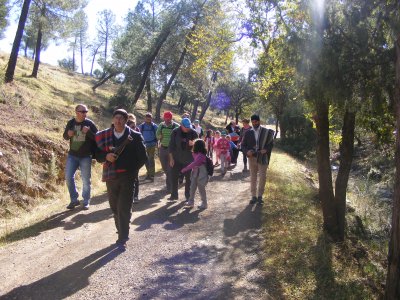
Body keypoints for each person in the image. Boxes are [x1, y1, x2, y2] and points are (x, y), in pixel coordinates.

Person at [95, 109, 147, 250]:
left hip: (127, 177)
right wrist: (106, 156)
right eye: (116, 117)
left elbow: (143, 158)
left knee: (123, 207)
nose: (118, 120)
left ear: (126, 120)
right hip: (111, 177)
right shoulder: (104, 135)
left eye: (121, 118)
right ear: (113, 119)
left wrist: (132, 172)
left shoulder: (135, 136)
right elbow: (96, 154)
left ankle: (122, 237)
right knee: (114, 207)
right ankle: (122, 229)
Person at [63, 104, 98, 210]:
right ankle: (74, 200)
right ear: (76, 112)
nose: (85, 113)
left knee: (86, 180)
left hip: (86, 156)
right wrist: (68, 134)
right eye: (83, 112)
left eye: (86, 111)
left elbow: (98, 138)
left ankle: (86, 201)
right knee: (68, 177)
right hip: (72, 155)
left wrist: (89, 132)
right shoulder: (71, 123)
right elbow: (65, 136)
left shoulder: (89, 123)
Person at [241, 114, 274, 205]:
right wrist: (247, 152)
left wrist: (266, 149)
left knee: (262, 177)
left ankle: (260, 196)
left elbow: (271, 143)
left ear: (259, 121)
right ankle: (253, 196)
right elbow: (243, 145)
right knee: (253, 177)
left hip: (263, 158)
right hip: (252, 158)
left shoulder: (266, 132)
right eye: (253, 122)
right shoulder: (248, 133)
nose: (254, 123)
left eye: (255, 121)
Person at [168, 118, 198, 201]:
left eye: (189, 127)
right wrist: (171, 159)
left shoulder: (193, 132)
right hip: (176, 158)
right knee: (174, 177)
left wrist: (194, 145)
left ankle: (188, 195)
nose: (188, 128)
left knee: (189, 179)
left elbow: (199, 147)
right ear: (181, 125)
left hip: (189, 160)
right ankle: (174, 195)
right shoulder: (175, 132)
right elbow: (171, 146)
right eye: (186, 127)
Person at [181, 139, 209, 209]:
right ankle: (191, 202)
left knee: (201, 188)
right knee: (192, 187)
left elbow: (194, 163)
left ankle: (204, 203)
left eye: (194, 144)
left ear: (197, 146)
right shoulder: (196, 153)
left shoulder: (201, 155)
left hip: (202, 173)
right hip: (195, 173)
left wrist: (185, 169)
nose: (193, 145)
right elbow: (193, 155)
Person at [156, 111, 180, 192]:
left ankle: (169, 187)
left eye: (168, 118)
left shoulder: (175, 126)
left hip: (172, 150)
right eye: (165, 118)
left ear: (171, 118)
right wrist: (160, 136)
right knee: (164, 168)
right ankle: (172, 180)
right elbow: (157, 134)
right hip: (163, 148)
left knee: (169, 169)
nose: (166, 120)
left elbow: (181, 134)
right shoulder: (161, 125)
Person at [139, 112, 158, 181]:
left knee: (151, 159)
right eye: (147, 119)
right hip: (144, 145)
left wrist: (157, 142)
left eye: (149, 119)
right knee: (146, 160)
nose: (148, 120)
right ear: (145, 118)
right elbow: (139, 134)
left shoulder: (154, 126)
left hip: (152, 145)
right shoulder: (141, 126)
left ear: (151, 119)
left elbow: (158, 134)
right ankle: (149, 174)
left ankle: (152, 175)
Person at [127, 117, 141, 205]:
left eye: (135, 127)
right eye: (132, 127)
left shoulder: (137, 135)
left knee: (135, 179)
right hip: (125, 162)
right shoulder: (122, 136)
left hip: (135, 161)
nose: (134, 129)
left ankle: (135, 196)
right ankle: (128, 197)